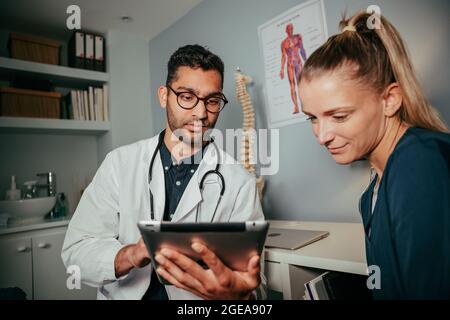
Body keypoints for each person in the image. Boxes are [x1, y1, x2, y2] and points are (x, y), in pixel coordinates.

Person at [62, 45, 266, 300]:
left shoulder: (240, 183)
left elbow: (255, 283)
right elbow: (76, 251)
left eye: (212, 101)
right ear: (163, 96)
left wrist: (236, 295)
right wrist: (131, 254)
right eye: (187, 96)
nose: (201, 113)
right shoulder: (119, 164)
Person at [299, 12, 450, 299]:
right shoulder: (371, 196)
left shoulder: (418, 164)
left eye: (339, 115)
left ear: (389, 100)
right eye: (312, 118)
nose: (321, 136)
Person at [280, 23, 307, 114]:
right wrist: (282, 69)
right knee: (292, 86)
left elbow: (302, 49)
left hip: (298, 62)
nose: (290, 30)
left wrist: (306, 60)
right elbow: (283, 56)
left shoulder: (298, 37)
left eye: (291, 28)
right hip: (290, 64)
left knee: (300, 84)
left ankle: (303, 105)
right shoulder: (284, 43)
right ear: (286, 31)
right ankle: (296, 107)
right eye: (289, 29)